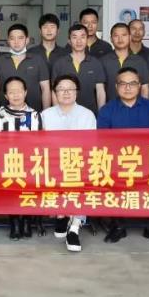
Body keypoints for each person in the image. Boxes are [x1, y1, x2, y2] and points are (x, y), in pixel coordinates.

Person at [96, 68, 149, 245]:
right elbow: (103, 142)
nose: (128, 88)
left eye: (133, 83)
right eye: (123, 83)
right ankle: (118, 226)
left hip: (147, 160)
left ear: (140, 85)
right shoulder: (107, 110)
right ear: (116, 86)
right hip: (117, 161)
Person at [41, 75, 96, 253]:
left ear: (76, 92)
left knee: (80, 174)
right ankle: (61, 215)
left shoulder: (87, 115)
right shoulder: (45, 115)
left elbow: (90, 146)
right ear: (55, 93)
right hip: (53, 163)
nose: (66, 92)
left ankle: (75, 226)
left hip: (79, 164)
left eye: (70, 89)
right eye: (61, 89)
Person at [0, 76, 45, 240]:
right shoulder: (0, 115)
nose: (16, 95)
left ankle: (27, 221)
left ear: (25, 92)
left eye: (19, 91)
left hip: (29, 161)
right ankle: (15, 222)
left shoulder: (34, 115)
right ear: (6, 95)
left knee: (28, 190)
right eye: (11, 92)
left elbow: (39, 140)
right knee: (12, 192)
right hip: (8, 161)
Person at [0, 23, 51, 119]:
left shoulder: (38, 60)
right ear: (8, 41)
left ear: (27, 40)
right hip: (5, 116)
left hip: (33, 116)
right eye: (12, 38)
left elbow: (45, 88)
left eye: (20, 38)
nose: (16, 42)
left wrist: (46, 115)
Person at [51, 23, 107, 114]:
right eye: (74, 37)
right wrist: (57, 114)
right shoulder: (59, 63)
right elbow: (54, 91)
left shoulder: (96, 63)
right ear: (69, 41)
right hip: (65, 114)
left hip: (90, 114)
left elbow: (100, 91)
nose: (79, 41)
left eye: (82, 37)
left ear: (87, 39)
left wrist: (102, 115)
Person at [100, 23, 149, 102]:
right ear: (111, 39)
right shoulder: (102, 61)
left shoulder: (140, 61)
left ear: (130, 37)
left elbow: (144, 88)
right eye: (116, 36)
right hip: (111, 107)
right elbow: (100, 89)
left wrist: (144, 107)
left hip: (135, 108)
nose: (120, 39)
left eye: (124, 35)